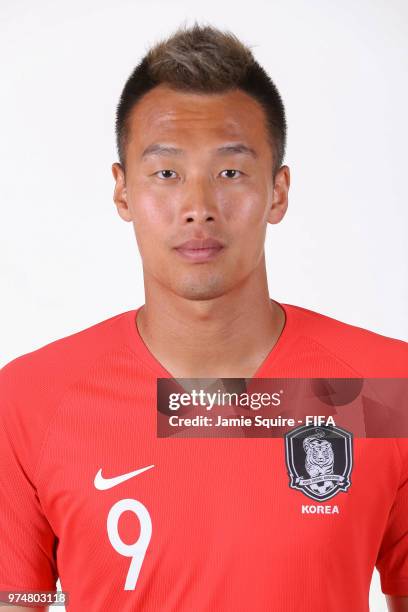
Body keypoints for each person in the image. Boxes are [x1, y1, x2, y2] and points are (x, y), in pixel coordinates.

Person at [0, 23, 407, 612]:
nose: (197, 209)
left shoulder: (384, 389)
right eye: (166, 173)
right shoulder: (30, 400)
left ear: (277, 192)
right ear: (122, 192)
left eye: (230, 172)